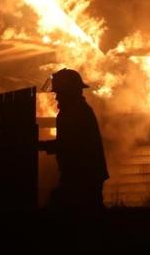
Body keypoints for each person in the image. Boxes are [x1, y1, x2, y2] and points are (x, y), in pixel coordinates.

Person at [38, 68, 109, 210]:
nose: (56, 97)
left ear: (68, 92)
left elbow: (69, 144)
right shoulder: (76, 109)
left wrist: (42, 146)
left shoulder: (75, 112)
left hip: (83, 175)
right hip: (84, 173)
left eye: (58, 92)